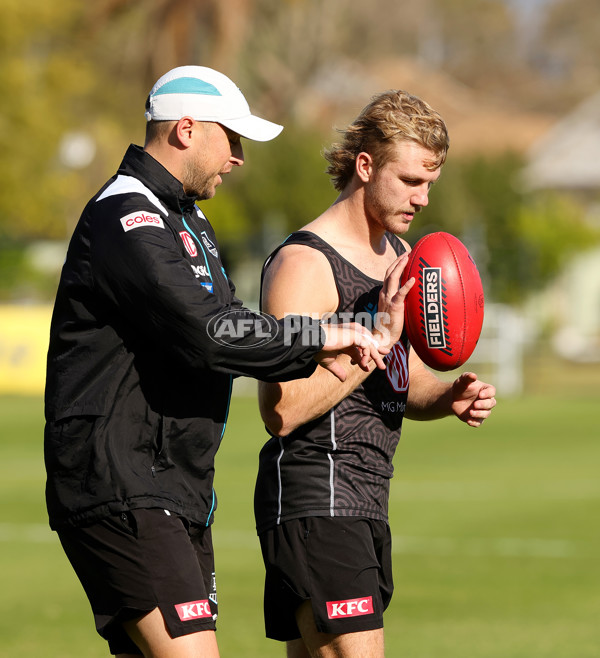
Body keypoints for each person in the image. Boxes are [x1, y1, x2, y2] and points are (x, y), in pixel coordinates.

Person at [44, 65, 394, 658]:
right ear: (186, 130)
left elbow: (233, 324)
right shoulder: (127, 216)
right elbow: (212, 332)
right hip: (122, 482)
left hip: (176, 487)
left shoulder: (189, 219)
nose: (237, 158)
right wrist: (320, 336)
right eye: (231, 139)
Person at [255, 89, 498, 657]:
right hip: (319, 496)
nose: (423, 198)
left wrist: (446, 397)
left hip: (366, 496)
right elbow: (282, 409)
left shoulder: (400, 257)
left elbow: (397, 376)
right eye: (411, 181)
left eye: (430, 184)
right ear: (364, 166)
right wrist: (380, 335)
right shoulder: (305, 262)